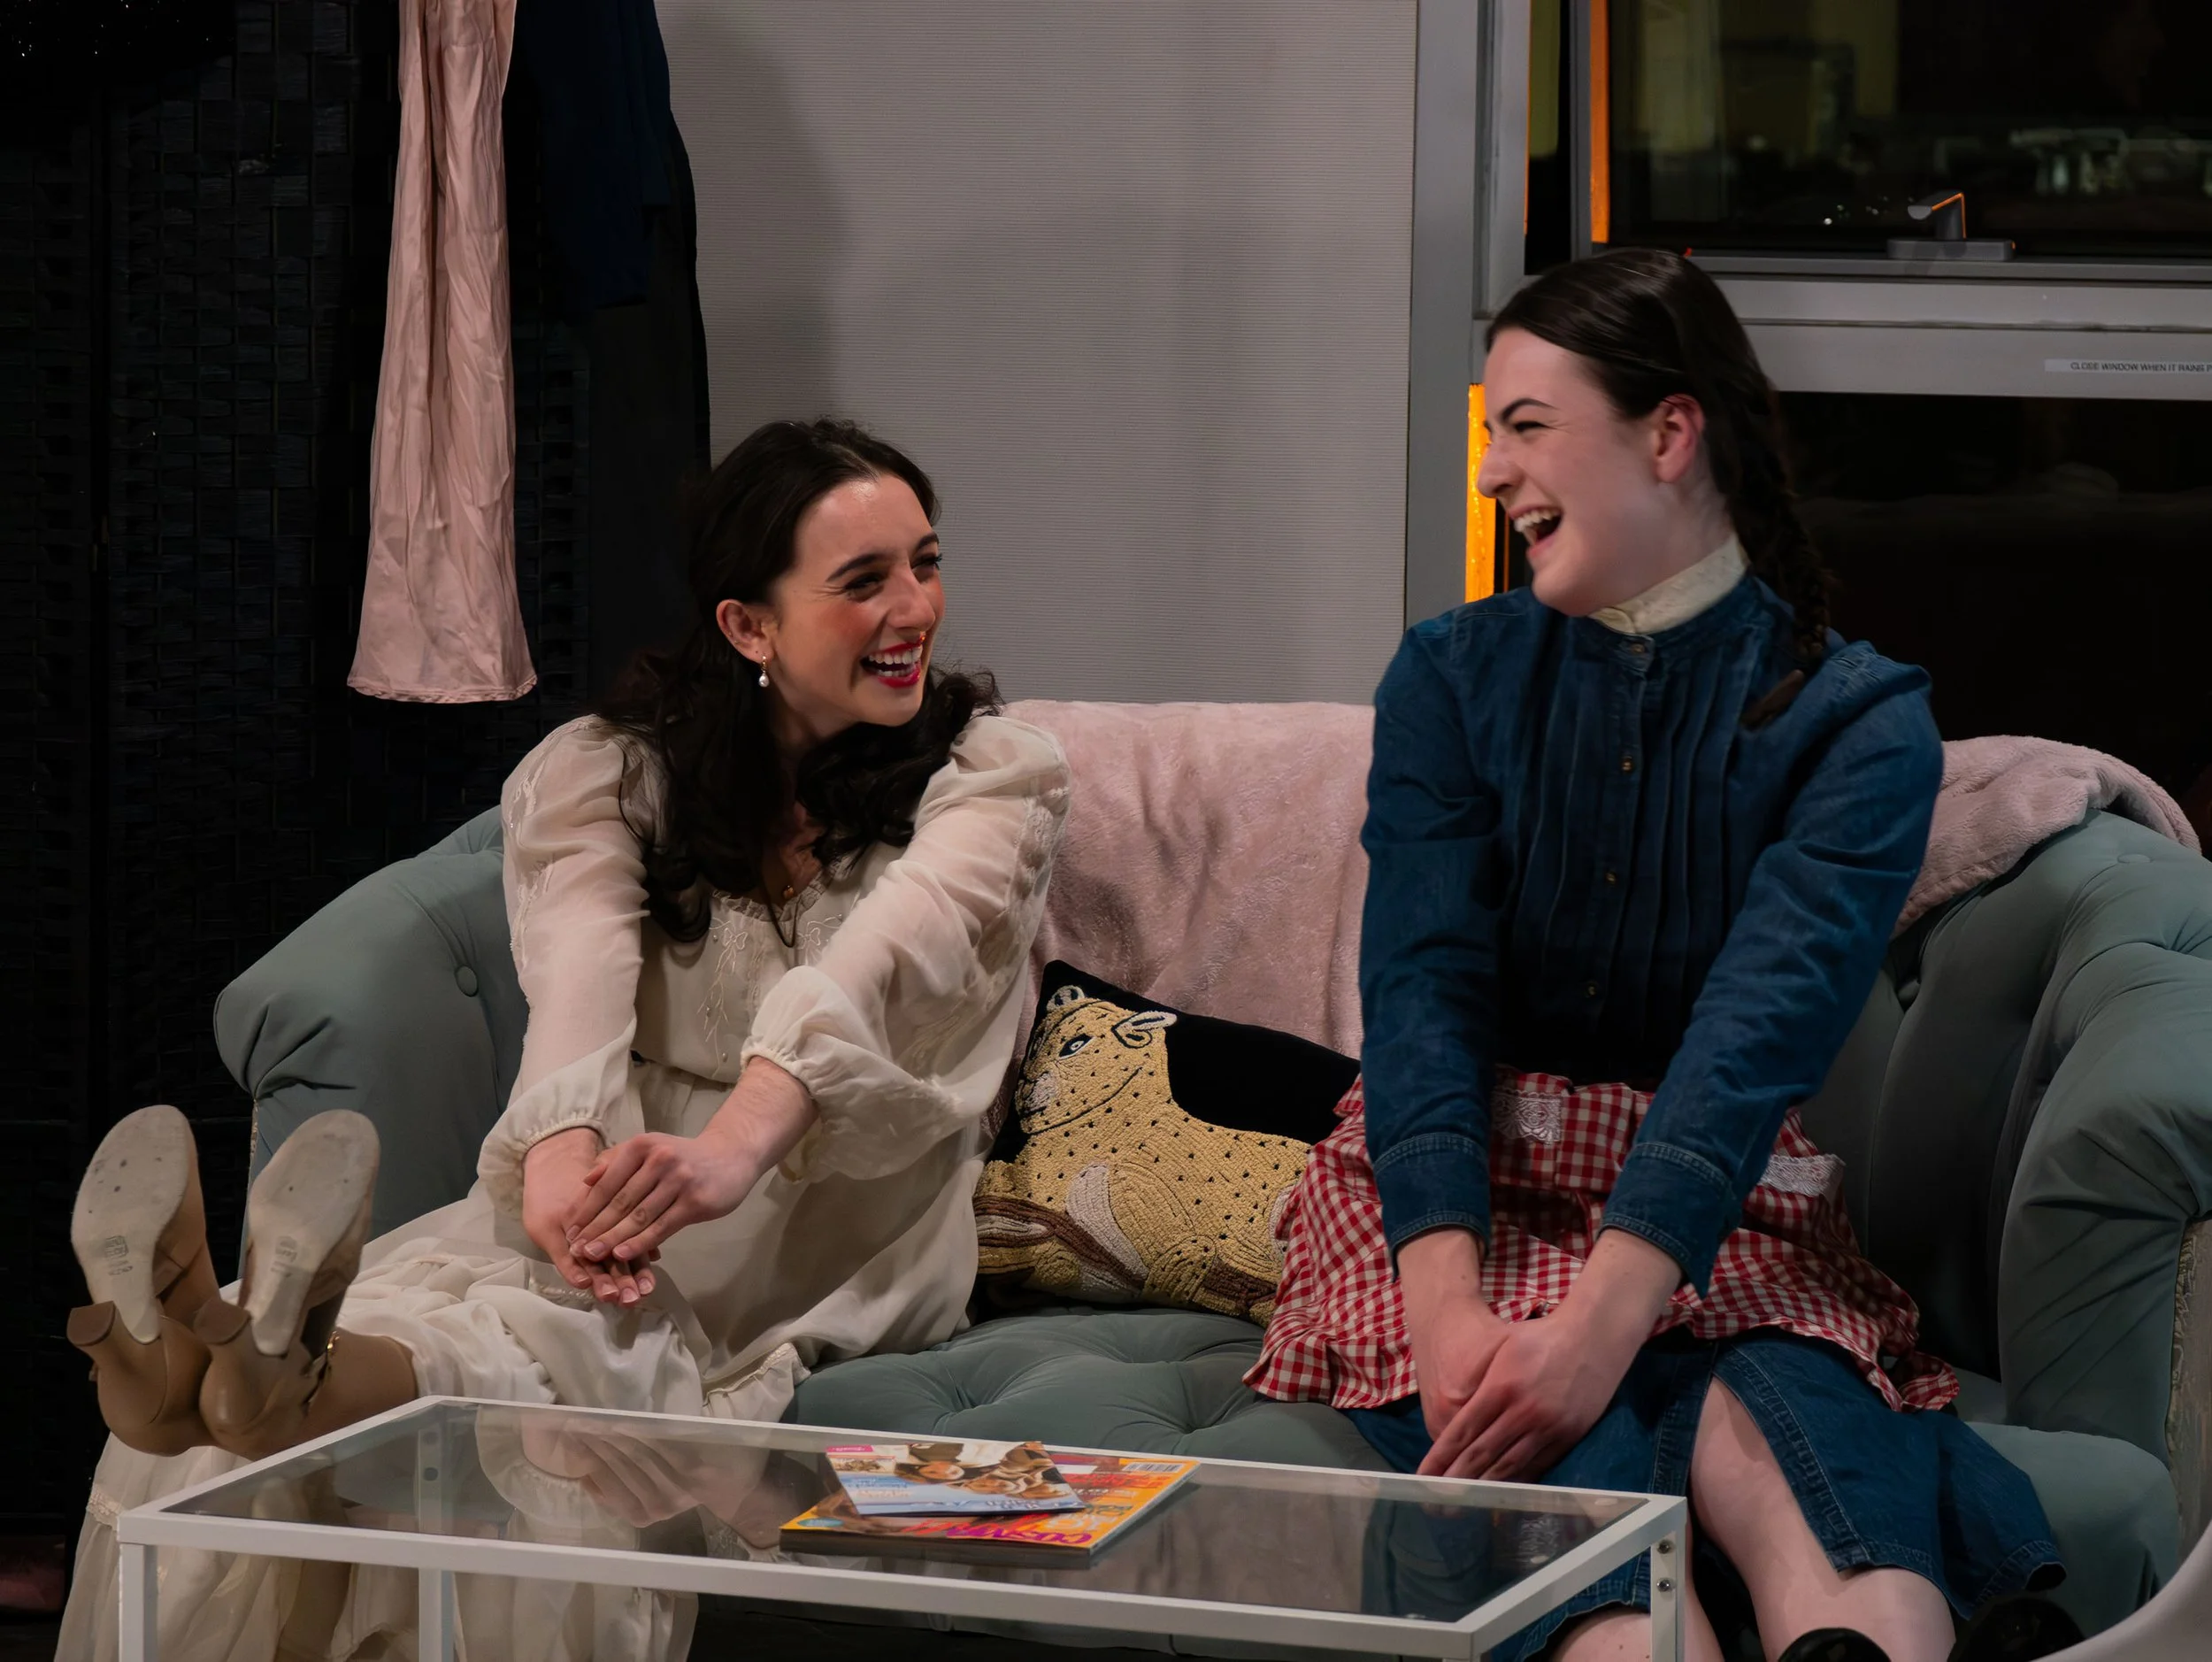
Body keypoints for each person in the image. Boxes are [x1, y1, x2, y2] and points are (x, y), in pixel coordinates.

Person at [58, 418, 1071, 1661]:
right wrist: (553, 1157)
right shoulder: (612, 770)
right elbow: (579, 972)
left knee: (578, 1343)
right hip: (627, 1169)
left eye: (925, 561)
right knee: (494, 1306)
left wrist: (732, 1150)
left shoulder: (997, 777)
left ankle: (213, 1372)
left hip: (833, 1210)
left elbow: (877, 966)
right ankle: (224, 1372)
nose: (914, 605)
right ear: (749, 625)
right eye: (864, 581)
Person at [1250, 251, 2068, 1662]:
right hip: (1466, 1204)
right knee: (1572, 1525)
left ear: (1671, 434)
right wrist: (1451, 1314)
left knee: (1811, 1443)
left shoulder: (1861, 725)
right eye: (1487, 429)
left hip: (1713, 1203)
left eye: (1527, 423)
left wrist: (1602, 1323)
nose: (1495, 471)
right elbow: (1423, 992)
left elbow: (1754, 1044)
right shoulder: (1451, 678)